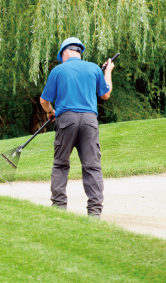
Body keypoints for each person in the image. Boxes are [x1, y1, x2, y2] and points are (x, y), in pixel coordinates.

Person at [39, 37, 115, 218]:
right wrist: (108, 71)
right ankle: (95, 213)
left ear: (65, 53)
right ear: (79, 51)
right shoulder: (94, 69)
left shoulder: (58, 70)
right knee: (92, 166)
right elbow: (106, 94)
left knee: (60, 164)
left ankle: (59, 208)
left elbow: (44, 100)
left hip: (66, 120)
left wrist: (51, 112)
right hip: (89, 121)